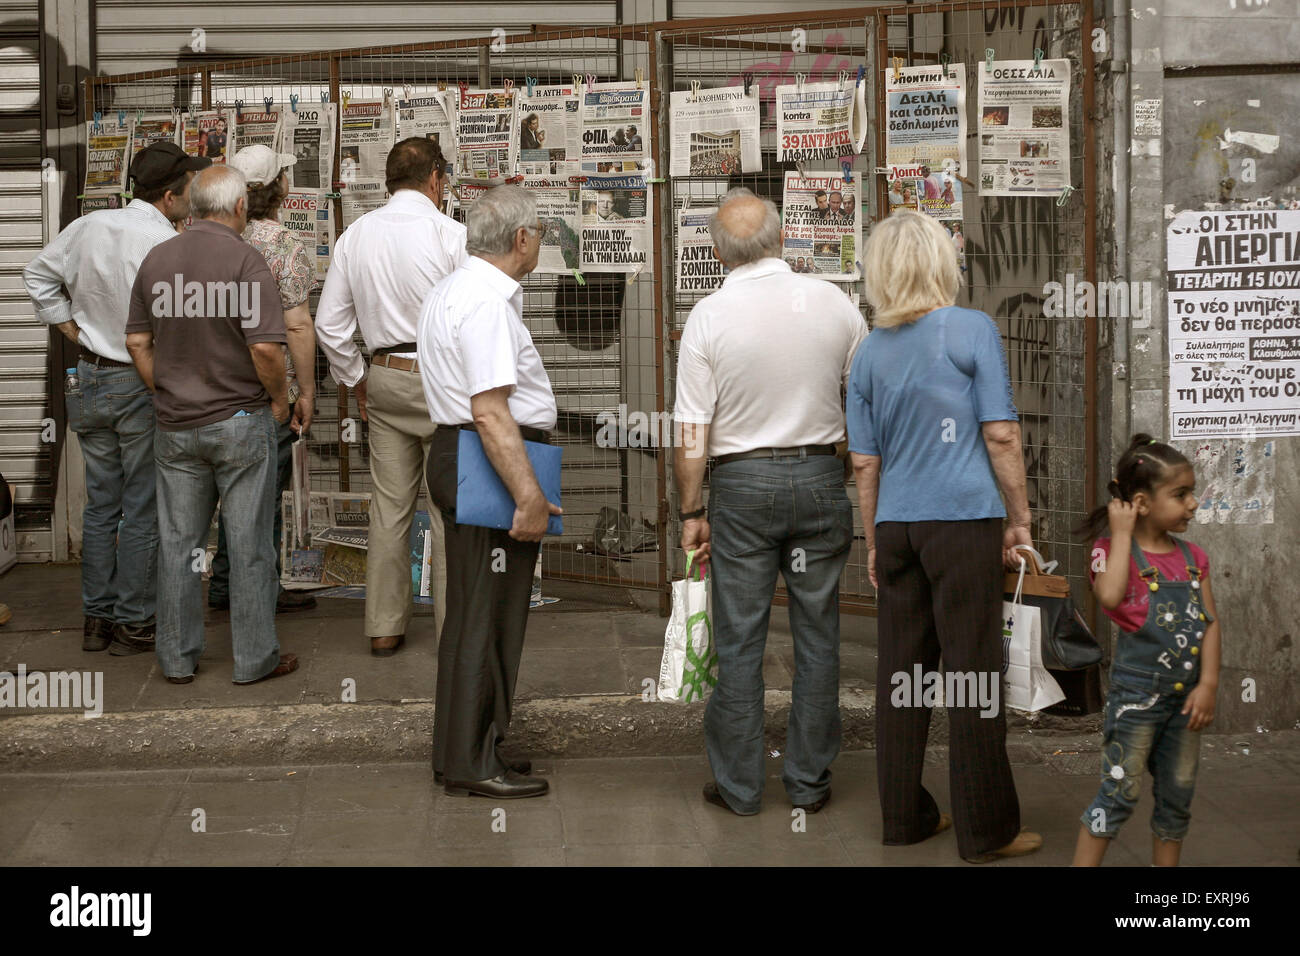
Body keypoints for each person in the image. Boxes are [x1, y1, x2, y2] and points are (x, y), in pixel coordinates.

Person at [846, 209, 1041, 863]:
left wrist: (874, 540)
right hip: (962, 524)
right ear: (940, 265)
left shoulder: (868, 350)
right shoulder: (971, 329)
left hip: (898, 527)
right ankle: (987, 830)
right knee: (973, 674)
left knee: (901, 675)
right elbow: (1002, 433)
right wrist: (1019, 517)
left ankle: (903, 818)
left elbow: (865, 463)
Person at [674, 187, 866, 816]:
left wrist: (691, 512)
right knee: (818, 635)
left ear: (716, 251)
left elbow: (691, 435)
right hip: (818, 481)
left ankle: (739, 787)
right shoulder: (834, 303)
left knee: (740, 639)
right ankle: (808, 784)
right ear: (782, 239)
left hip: (742, 491)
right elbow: (860, 398)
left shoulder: (708, 316)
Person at [23, 142, 209, 656]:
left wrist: (75, 332)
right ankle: (133, 619)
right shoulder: (163, 243)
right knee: (143, 506)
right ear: (170, 196)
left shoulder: (87, 226)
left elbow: (36, 274)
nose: (193, 197)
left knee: (101, 507)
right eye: (189, 188)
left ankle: (96, 620)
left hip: (88, 378)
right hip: (137, 382)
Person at [125, 164, 295, 685]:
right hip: (241, 422)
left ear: (193, 205)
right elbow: (266, 348)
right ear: (240, 206)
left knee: (179, 545)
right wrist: (281, 401)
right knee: (248, 546)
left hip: (175, 427)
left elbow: (136, 342)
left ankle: (176, 660)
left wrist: (167, 389)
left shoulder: (157, 259)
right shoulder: (247, 261)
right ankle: (254, 659)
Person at [416, 184, 559, 799]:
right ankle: (472, 761)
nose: (541, 244)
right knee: (484, 615)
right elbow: (491, 411)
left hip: (465, 456)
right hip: (484, 459)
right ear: (521, 239)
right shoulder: (485, 303)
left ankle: (467, 747)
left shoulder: (456, 290)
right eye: (539, 235)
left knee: (478, 611)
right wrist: (527, 494)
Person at [316, 138, 466, 656]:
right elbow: (475, 315)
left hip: (383, 377)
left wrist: (357, 377)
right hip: (444, 381)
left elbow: (329, 325)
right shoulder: (451, 235)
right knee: (449, 510)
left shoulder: (355, 235)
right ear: (435, 179)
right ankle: (452, 632)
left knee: (389, 508)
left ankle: (383, 628)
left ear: (388, 182)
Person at [1072, 435, 1220, 867]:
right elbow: (1111, 597)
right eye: (1180, 494)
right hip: (1136, 700)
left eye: (1191, 492)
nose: (1193, 503)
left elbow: (1210, 623)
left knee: (1177, 800)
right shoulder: (1112, 552)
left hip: (1186, 702)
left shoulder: (1195, 558)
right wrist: (1120, 534)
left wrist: (1208, 682)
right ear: (1141, 502)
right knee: (1118, 794)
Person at [206, 145, 318, 615]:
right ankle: (260, 591)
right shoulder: (284, 247)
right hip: (266, 392)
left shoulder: (204, 239)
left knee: (225, 497)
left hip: (209, 387)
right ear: (281, 189)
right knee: (263, 499)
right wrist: (305, 391)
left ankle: (222, 584)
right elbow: (295, 327)